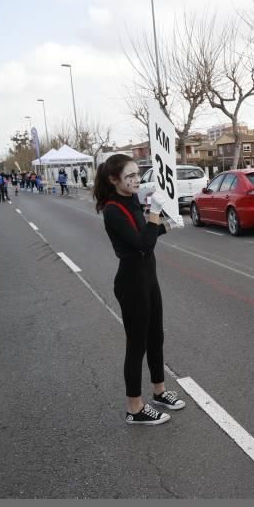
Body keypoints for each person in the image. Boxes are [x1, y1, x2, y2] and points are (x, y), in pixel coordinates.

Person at [93, 153, 185, 426]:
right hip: (131, 283)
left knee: (156, 336)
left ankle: (159, 391)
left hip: (149, 278)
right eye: (130, 176)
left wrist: (167, 225)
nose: (136, 180)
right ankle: (134, 408)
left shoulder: (132, 200)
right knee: (137, 345)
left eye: (137, 174)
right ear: (113, 180)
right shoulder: (112, 210)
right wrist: (156, 213)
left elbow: (146, 233)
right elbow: (143, 244)